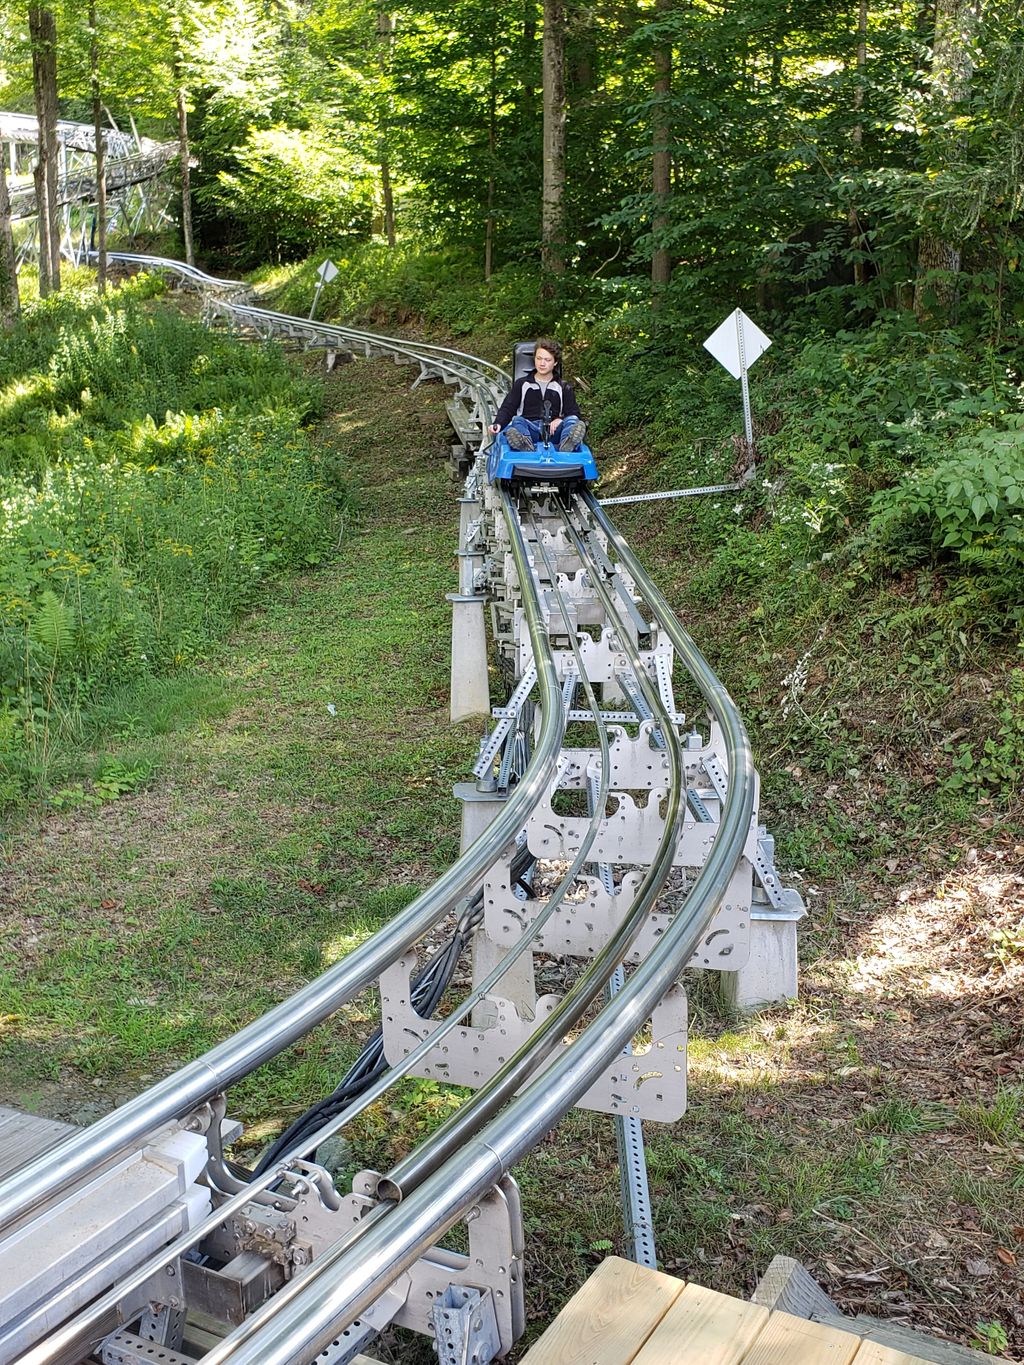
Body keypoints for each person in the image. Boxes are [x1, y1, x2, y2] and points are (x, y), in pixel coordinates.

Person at [489, 339, 587, 453]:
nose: (542, 363)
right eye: (539, 358)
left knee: (573, 420)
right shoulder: (522, 384)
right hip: (530, 428)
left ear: (555, 362)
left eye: (547, 360)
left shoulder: (564, 387)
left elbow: (574, 412)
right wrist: (498, 423)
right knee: (517, 420)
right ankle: (524, 444)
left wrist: (560, 419)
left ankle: (567, 444)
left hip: (554, 431)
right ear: (534, 359)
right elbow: (508, 408)